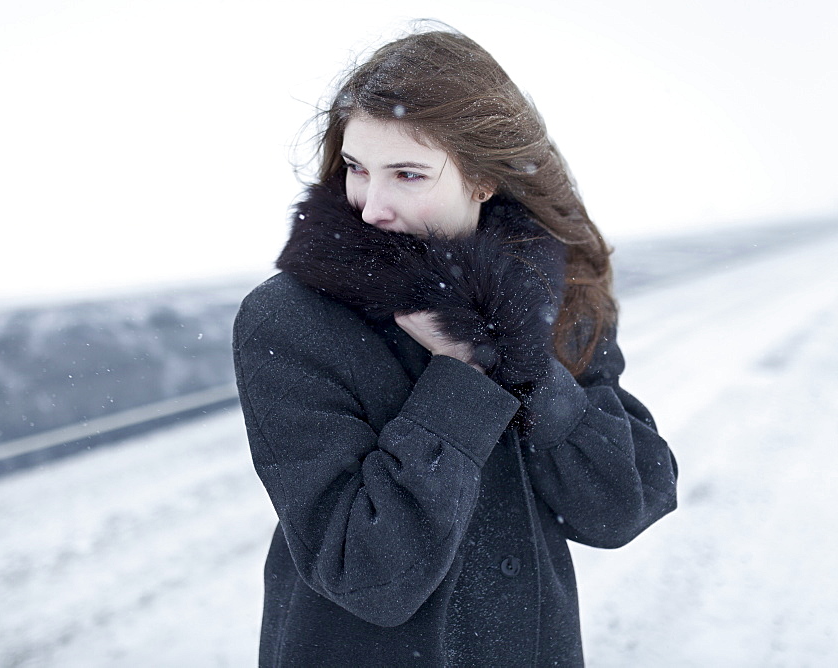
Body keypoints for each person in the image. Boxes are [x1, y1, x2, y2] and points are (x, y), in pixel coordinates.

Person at [232, 26, 677, 667]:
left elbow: (626, 504)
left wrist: (516, 357)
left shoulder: (549, 292)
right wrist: (462, 375)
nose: (371, 207)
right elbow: (365, 573)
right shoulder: (288, 320)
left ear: (482, 180)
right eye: (357, 168)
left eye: (407, 174)